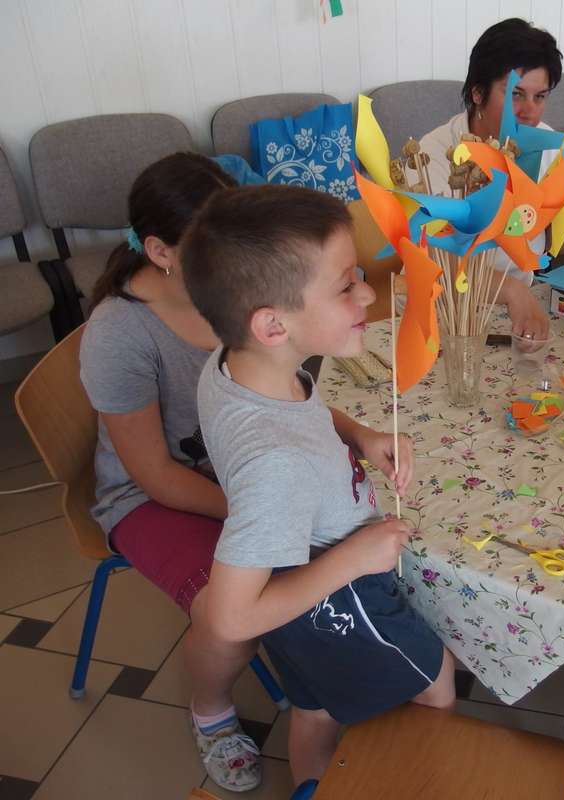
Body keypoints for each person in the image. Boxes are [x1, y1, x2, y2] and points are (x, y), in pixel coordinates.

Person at [182, 184, 455, 785]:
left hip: (293, 581)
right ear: (273, 324)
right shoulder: (275, 466)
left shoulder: (237, 363)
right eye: (344, 285)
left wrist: (357, 434)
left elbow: (294, 413)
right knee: (436, 685)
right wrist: (355, 559)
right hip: (335, 589)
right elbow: (230, 619)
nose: (367, 293)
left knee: (315, 706)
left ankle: (308, 784)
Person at [79, 153, 262, 792]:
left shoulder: (225, 290)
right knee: (232, 610)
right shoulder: (118, 334)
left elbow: (281, 382)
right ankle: (211, 710)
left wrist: (352, 434)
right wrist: (251, 508)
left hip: (234, 468)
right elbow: (154, 474)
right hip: (146, 497)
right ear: (160, 251)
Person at [418, 17, 564, 339]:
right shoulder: (431, 156)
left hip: (515, 308)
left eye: (540, 96)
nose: (529, 111)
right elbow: (437, 263)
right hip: (443, 310)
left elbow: (542, 246)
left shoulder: (545, 143)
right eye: (516, 94)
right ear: (477, 93)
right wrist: (513, 290)